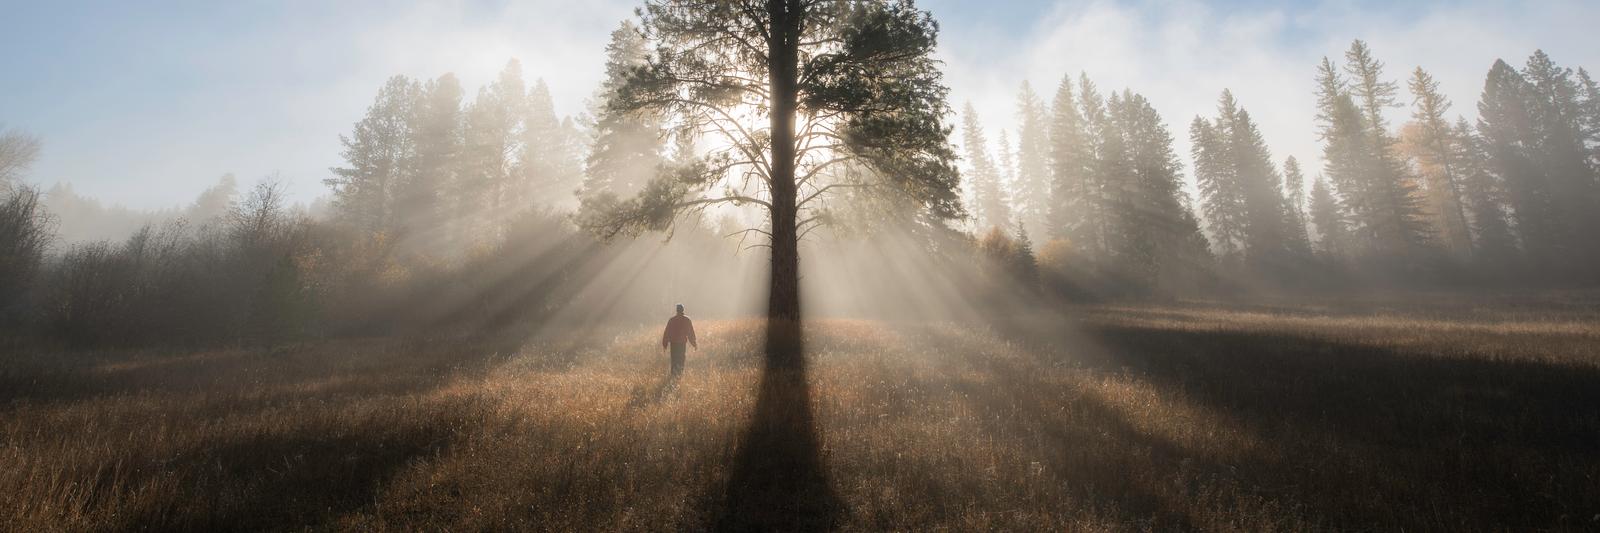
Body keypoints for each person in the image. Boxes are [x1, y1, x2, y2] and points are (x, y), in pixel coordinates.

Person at [661, 303, 697, 376]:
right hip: (682, 344)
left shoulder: (672, 320)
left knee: (674, 360)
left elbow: (667, 332)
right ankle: (679, 375)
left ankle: (673, 375)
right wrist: (694, 344)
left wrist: (665, 344)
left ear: (676, 310)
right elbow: (690, 333)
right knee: (681, 359)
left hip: (673, 344)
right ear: (683, 310)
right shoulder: (687, 320)